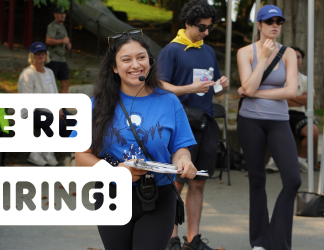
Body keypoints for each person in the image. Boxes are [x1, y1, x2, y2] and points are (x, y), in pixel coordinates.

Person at [75, 29, 198, 250]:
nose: (135, 64)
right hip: (111, 196)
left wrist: (184, 160)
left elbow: (180, 148)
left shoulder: (169, 101)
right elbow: (81, 157)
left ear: (149, 61)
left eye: (141, 57)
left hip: (159, 196)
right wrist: (115, 172)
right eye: (126, 59)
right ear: (114, 67)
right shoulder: (96, 105)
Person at [158, 1, 229, 249]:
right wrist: (189, 88)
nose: (206, 32)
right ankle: (170, 239)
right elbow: (160, 86)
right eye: (202, 27)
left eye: (209, 28)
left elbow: (212, 90)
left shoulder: (207, 51)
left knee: (198, 182)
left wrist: (221, 85)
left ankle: (193, 240)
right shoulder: (172, 50)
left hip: (205, 121)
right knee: (176, 182)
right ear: (187, 23)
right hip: (180, 123)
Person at [236, 5, 301, 250]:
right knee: (257, 180)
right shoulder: (245, 52)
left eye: (279, 21)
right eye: (269, 21)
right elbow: (248, 89)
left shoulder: (289, 53)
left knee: (293, 180)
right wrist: (262, 59)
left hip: (279, 121)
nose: (275, 25)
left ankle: (278, 241)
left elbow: (291, 91)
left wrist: (253, 91)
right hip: (250, 120)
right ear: (259, 25)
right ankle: (259, 242)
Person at [18, 41, 74, 166]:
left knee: (72, 119)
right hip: (31, 111)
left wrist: (58, 107)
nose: (41, 56)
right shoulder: (27, 74)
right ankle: (36, 153)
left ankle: (63, 154)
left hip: (49, 109)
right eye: (37, 53)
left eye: (43, 53)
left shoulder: (49, 72)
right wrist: (52, 110)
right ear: (32, 56)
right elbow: (29, 101)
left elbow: (55, 93)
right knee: (55, 121)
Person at [265, 46, 319, 173]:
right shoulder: (277, 77)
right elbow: (274, 98)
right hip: (279, 111)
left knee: (314, 131)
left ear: (301, 60)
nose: (295, 59)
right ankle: (273, 161)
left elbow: (308, 100)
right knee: (268, 127)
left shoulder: (306, 79)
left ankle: (300, 161)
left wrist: (287, 95)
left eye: (298, 57)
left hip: (299, 114)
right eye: (292, 56)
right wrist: (297, 97)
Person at [45, 6, 71, 93]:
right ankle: (50, 105)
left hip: (62, 59)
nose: (63, 15)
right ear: (55, 14)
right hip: (53, 59)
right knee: (51, 83)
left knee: (65, 82)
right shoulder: (52, 26)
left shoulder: (63, 27)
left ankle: (62, 106)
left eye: (64, 13)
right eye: (60, 13)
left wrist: (67, 44)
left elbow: (65, 42)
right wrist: (62, 41)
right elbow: (48, 40)